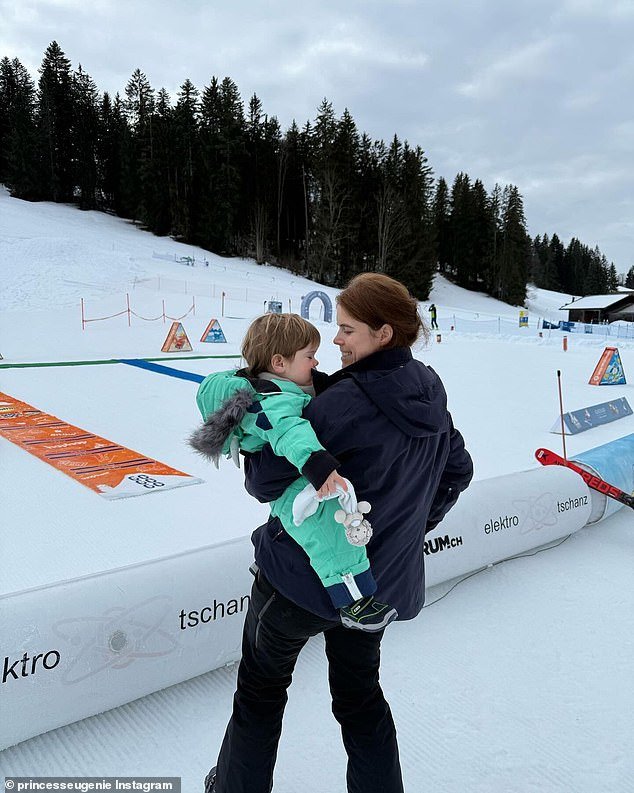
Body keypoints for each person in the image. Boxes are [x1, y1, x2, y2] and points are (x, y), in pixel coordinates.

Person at [205, 273, 473, 793]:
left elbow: (264, 482)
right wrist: (403, 531)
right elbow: (456, 470)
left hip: (298, 583)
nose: (336, 340)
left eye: (348, 330)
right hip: (375, 586)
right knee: (360, 698)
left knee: (261, 691)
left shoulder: (343, 401)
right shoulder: (427, 388)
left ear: (383, 333)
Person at [190, 313, 397, 631]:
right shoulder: (273, 401)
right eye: (309, 356)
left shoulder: (274, 386)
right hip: (296, 483)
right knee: (329, 534)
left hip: (288, 479)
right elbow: (290, 432)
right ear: (279, 363)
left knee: (311, 528)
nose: (316, 363)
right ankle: (354, 600)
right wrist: (318, 466)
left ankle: (270, 567)